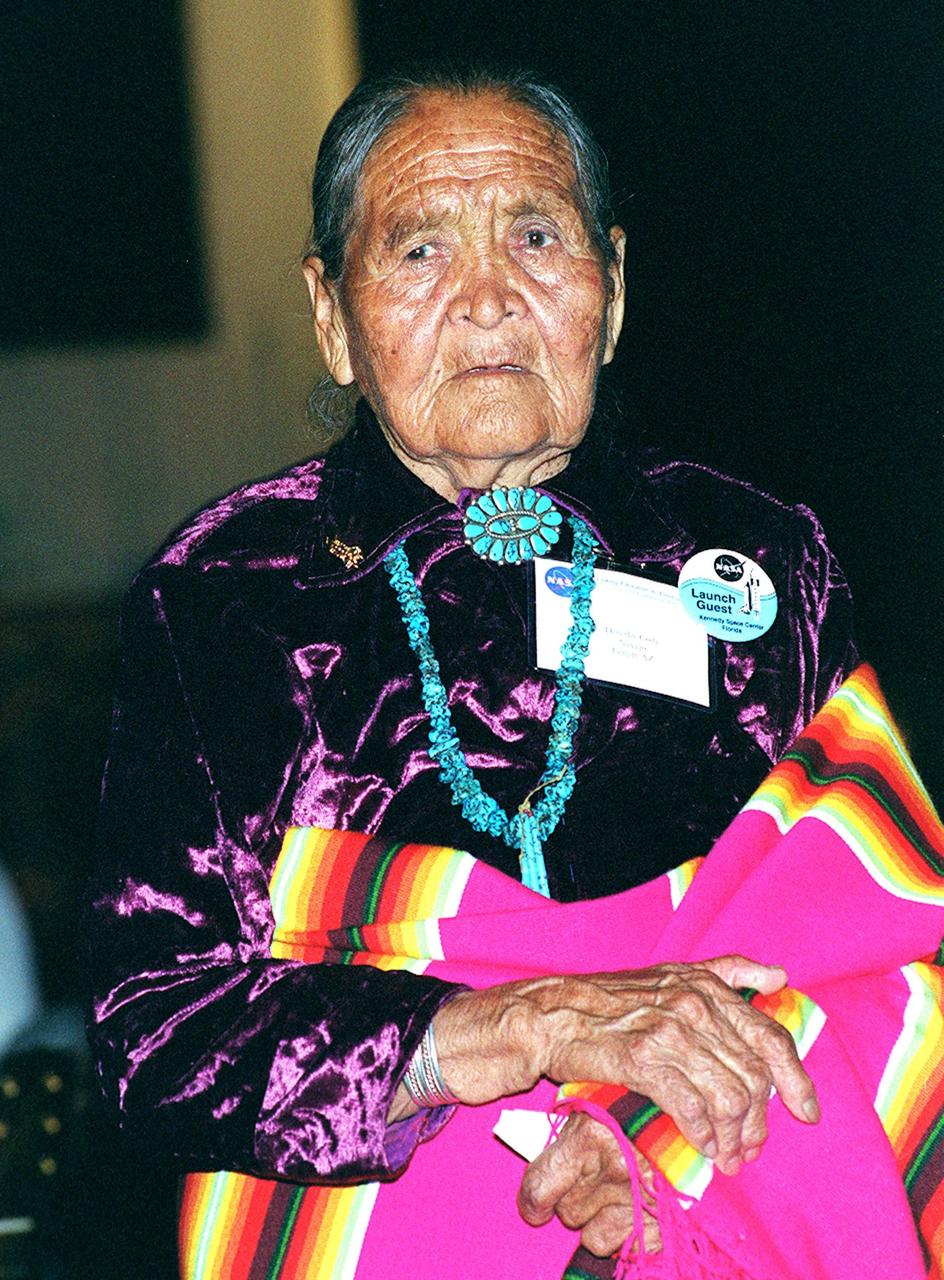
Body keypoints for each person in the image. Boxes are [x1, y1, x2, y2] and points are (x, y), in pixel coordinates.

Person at [87, 65, 858, 1269]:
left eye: (536, 236)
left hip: (732, 1210)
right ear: (333, 314)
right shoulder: (227, 596)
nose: (489, 299)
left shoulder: (757, 561)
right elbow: (157, 1034)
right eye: (418, 252)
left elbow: (875, 940)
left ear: (608, 291)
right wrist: (515, 1026)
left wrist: (639, 1131)